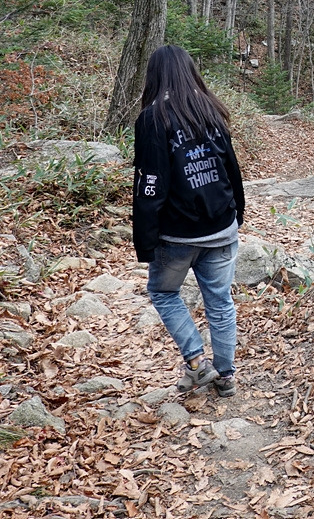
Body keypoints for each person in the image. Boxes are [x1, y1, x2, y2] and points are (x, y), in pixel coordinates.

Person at [132, 45, 245, 397]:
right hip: (221, 227)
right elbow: (232, 168)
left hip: (177, 236)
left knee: (163, 293)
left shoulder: (153, 118)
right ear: (189, 71)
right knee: (220, 302)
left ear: (154, 76)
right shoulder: (210, 109)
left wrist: (145, 241)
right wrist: (238, 212)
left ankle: (197, 362)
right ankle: (224, 376)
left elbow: (150, 184)